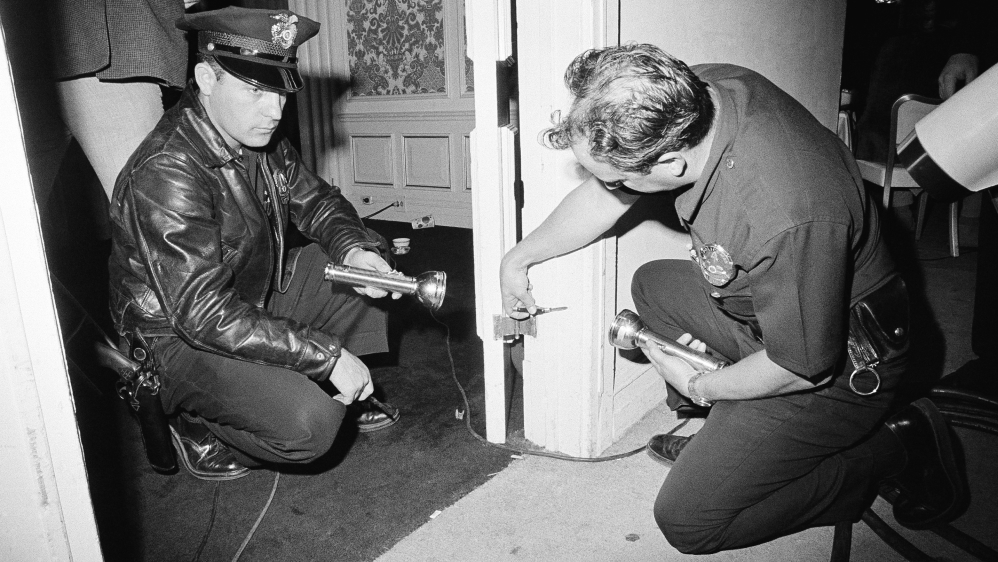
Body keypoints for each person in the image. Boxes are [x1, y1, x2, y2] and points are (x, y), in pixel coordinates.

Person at [499, 44, 967, 553]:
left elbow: (801, 366)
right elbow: (601, 199)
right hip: (775, 310)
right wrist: (517, 260)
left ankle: (895, 445)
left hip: (844, 362)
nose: (608, 187)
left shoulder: (784, 210)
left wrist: (704, 386)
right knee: (653, 285)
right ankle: (733, 441)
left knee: (690, 522)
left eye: (616, 179)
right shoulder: (694, 95)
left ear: (673, 163)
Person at [109, 7, 399, 481]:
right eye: (255, 91)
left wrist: (354, 251)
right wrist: (323, 355)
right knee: (310, 428)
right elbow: (202, 314)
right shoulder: (167, 171)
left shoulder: (256, 134)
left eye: (281, 92)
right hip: (178, 339)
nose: (275, 111)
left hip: (245, 294)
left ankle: (344, 388)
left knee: (370, 270)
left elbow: (319, 203)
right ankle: (201, 428)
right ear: (206, 78)